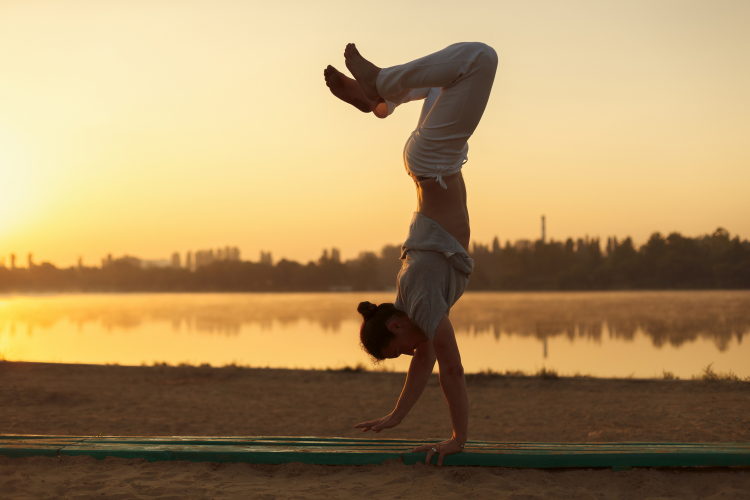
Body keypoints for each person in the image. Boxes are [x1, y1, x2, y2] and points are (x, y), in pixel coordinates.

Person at [323, 42, 497, 467]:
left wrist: (458, 438)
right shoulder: (415, 306)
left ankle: (381, 85)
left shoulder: (417, 295)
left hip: (433, 161)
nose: (411, 353)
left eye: (399, 348)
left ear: (397, 324)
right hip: (436, 161)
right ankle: (381, 102)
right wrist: (396, 417)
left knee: (480, 58)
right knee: (447, 78)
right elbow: (425, 364)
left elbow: (450, 371)